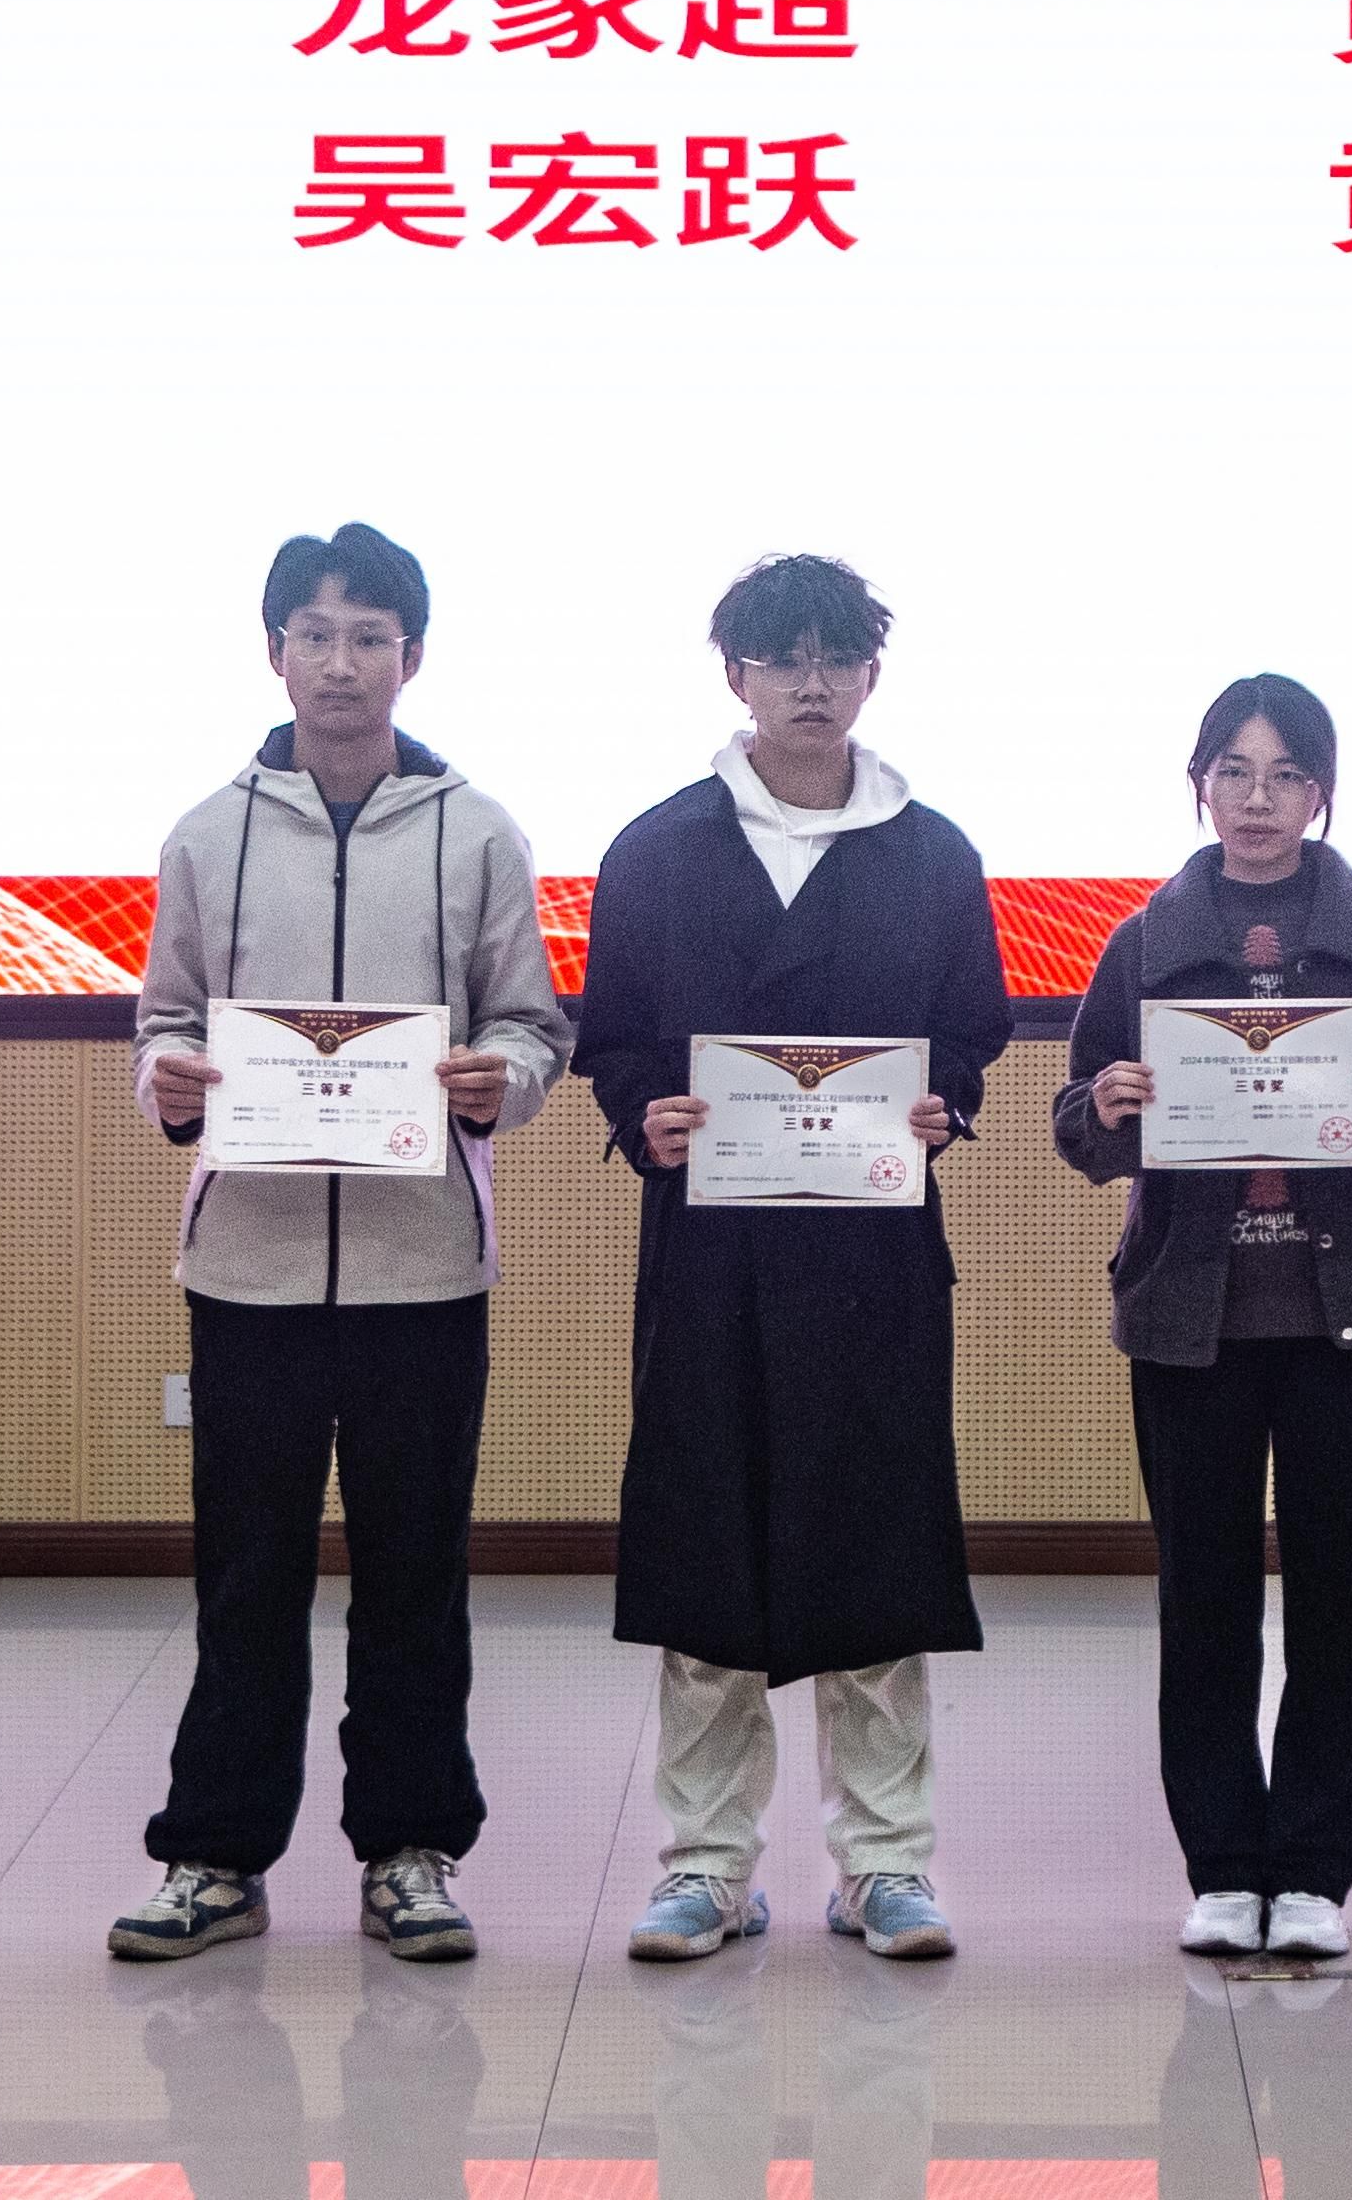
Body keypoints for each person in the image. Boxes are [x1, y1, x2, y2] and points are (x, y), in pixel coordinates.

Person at [112, 522, 575, 1966]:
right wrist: (168, 1082)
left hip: (422, 1266)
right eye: (314, 634)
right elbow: (163, 1023)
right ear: (275, 653)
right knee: (244, 1574)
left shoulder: (478, 831)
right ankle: (215, 1855)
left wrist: (503, 1081)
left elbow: (532, 1024)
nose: (340, 663)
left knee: (413, 1575)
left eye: (369, 635)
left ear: (411, 657)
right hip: (246, 1269)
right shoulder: (209, 832)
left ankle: (410, 1850)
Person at [578, 552, 1017, 1964]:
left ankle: (884, 1864)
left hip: (873, 1261)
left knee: (875, 1546)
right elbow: (616, 1039)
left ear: (872, 675)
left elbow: (970, 1034)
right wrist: (643, 1113)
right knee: (705, 1547)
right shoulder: (657, 850)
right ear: (736, 676)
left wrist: (946, 1106)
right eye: (782, 658)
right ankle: (706, 1865)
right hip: (709, 1256)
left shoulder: (933, 853)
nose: (811, 683)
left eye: (837, 657)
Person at [1058, 674, 1352, 1962]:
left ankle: (1310, 1869)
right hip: (1186, 1317)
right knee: (1201, 1599)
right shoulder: (1141, 943)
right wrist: (1111, 1107)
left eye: (1286, 774)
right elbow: (1077, 1126)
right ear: (1199, 786)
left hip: (1345, 1312)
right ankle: (1219, 1863)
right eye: (1234, 773)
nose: (1258, 799)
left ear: (1322, 792)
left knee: (1336, 1601)